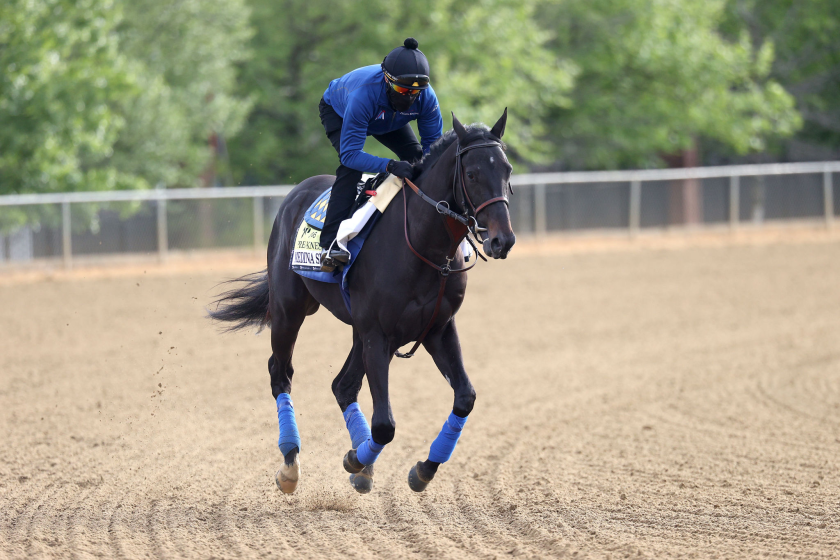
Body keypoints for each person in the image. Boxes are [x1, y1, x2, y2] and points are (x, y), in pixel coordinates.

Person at [317, 37, 443, 271]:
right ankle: (329, 245)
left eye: (416, 91)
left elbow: (433, 152)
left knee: (418, 160)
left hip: (388, 117)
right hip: (341, 111)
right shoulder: (363, 95)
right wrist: (390, 165)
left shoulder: (426, 98)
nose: (409, 97)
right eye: (403, 89)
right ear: (387, 80)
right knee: (351, 170)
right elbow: (350, 155)